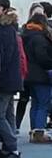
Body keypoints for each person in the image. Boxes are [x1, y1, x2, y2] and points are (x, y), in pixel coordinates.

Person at [0, 0, 22, 158]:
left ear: (4, 10)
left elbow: (3, 57)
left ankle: (11, 146)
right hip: (11, 79)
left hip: (5, 80)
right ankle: (9, 147)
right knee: (7, 114)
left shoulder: (3, 30)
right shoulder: (8, 28)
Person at [22, 13, 52, 143]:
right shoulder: (40, 38)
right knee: (42, 104)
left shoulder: (25, 35)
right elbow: (42, 58)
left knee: (34, 104)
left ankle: (34, 130)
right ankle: (39, 132)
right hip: (40, 75)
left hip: (28, 75)